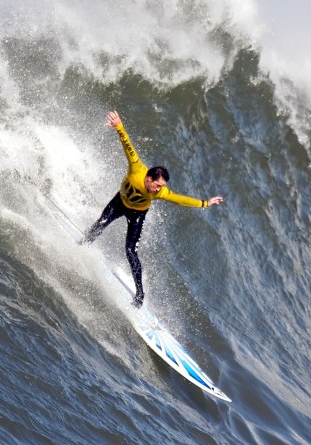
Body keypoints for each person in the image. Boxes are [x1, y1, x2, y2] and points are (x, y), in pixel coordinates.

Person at [81, 110, 224, 308]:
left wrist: (204, 203)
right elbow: (127, 146)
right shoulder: (136, 168)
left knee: (131, 251)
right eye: (157, 185)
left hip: (137, 213)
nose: (159, 189)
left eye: (162, 186)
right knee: (101, 223)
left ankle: (140, 294)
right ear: (149, 178)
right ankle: (82, 245)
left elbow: (180, 199)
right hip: (119, 202)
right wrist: (119, 127)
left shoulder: (160, 193)